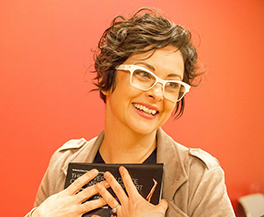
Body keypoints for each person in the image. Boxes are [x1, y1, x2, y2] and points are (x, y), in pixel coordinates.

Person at [25, 8, 235, 217]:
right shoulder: (62, 163)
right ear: (107, 79)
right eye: (143, 74)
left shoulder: (200, 177)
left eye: (171, 84)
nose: (157, 94)